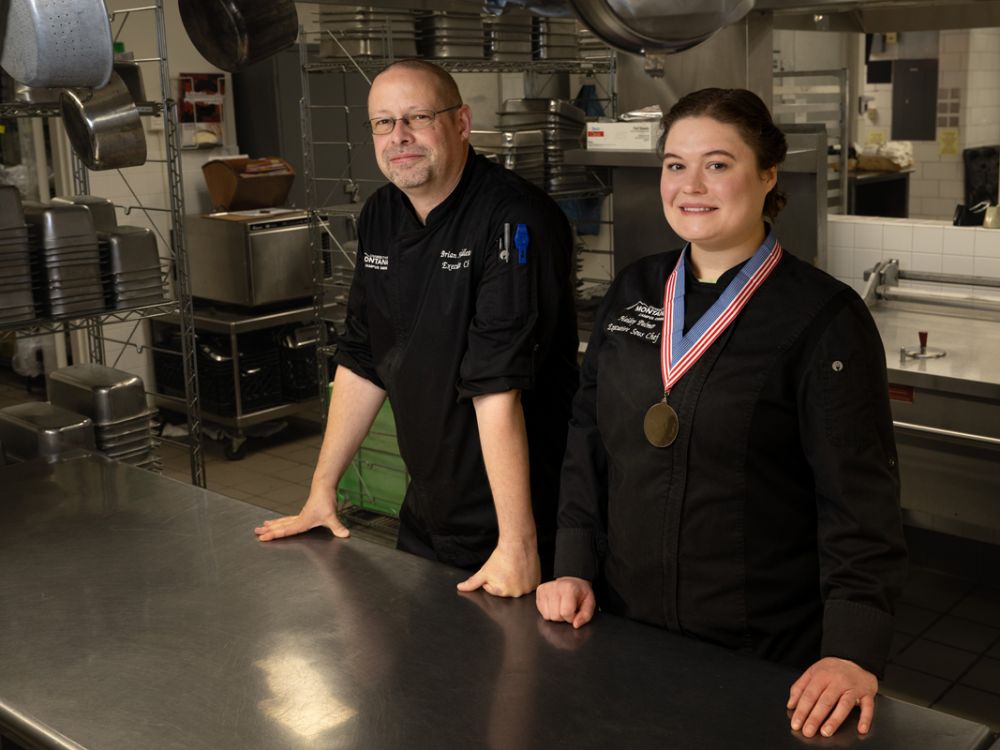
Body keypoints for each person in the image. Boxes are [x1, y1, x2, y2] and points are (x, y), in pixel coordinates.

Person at [536, 88, 907, 738]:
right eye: (675, 165)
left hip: (759, 653)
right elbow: (588, 441)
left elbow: (860, 505)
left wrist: (850, 650)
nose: (691, 185)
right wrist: (570, 563)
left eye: (717, 163)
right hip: (619, 630)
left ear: (768, 174)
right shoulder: (635, 289)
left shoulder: (823, 318)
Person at [255, 60, 579, 598]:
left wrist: (518, 545)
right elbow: (363, 355)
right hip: (429, 508)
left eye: (418, 117)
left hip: (523, 518)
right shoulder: (382, 213)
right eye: (383, 123)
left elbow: (497, 386)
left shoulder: (515, 220)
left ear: (461, 122)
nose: (398, 136)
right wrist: (321, 490)